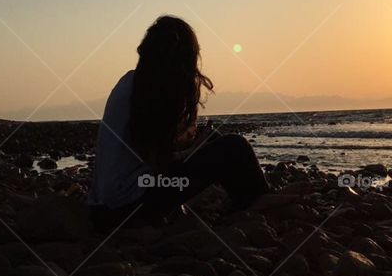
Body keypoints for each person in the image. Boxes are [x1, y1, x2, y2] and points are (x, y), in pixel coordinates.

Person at [88, 15, 267, 230]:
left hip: (104, 207)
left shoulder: (132, 82)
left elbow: (146, 148)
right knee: (234, 146)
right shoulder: (147, 90)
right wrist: (190, 149)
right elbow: (160, 160)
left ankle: (249, 198)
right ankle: (260, 199)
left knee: (215, 140)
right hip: (128, 207)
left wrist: (191, 145)